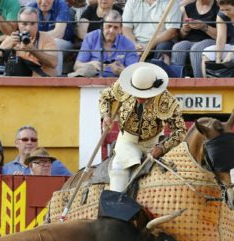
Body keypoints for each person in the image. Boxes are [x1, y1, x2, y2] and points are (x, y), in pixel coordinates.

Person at [99, 62, 186, 192]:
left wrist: (162, 148)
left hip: (154, 142)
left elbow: (180, 131)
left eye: (144, 95)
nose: (139, 98)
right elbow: (105, 96)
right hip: (127, 140)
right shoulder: (123, 86)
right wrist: (106, 115)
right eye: (136, 93)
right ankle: (115, 205)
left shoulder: (167, 100)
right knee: (119, 166)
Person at [0, 7, 57, 76]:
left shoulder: (46, 37)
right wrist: (3, 47)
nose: (28, 28)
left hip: (41, 83)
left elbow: (53, 63)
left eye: (33, 23)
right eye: (24, 24)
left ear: (37, 24)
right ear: (18, 24)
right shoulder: (13, 38)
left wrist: (33, 50)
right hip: (15, 84)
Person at [71, 10, 138, 77]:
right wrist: (91, 64)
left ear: (120, 29)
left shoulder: (128, 43)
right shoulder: (91, 37)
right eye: (109, 26)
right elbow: (76, 66)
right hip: (92, 81)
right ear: (102, 26)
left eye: (115, 27)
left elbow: (133, 73)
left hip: (117, 83)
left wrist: (122, 71)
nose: (111, 31)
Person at [171, 0, 219, 78]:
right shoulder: (188, 8)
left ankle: (198, 81)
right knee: (178, 47)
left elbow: (221, 35)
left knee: (196, 48)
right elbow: (181, 36)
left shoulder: (218, 7)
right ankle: (178, 79)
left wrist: (204, 26)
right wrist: (185, 29)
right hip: (191, 40)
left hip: (211, 40)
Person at [28, 0, 75, 75]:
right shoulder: (31, 7)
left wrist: (38, 37)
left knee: (55, 43)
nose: (43, 2)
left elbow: (59, 33)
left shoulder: (61, 5)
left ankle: (56, 78)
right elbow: (26, 31)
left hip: (64, 42)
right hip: (39, 42)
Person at [2, 125, 72, 175]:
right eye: (25, 139)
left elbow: (73, 183)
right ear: (16, 143)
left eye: (33, 140)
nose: (29, 142)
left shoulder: (54, 164)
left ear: (37, 143)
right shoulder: (6, 169)